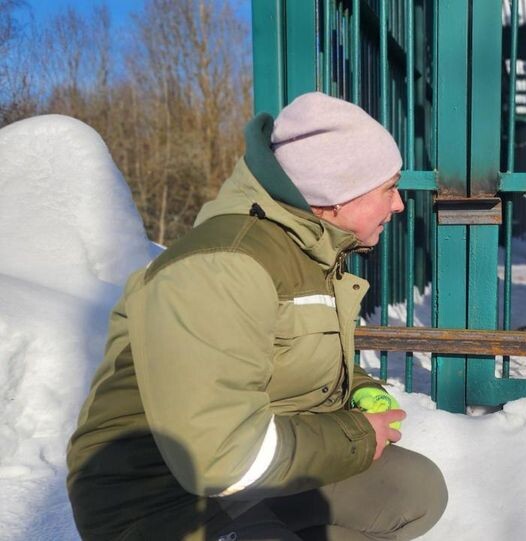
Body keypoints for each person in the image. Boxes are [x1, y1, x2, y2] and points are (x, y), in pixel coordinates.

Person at [66, 92, 448, 540]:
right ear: (338, 195)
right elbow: (219, 455)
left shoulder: (310, 251)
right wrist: (357, 436)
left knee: (416, 491)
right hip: (160, 500)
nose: (399, 204)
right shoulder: (223, 267)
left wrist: (359, 390)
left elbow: (290, 357)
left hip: (243, 478)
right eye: (389, 188)